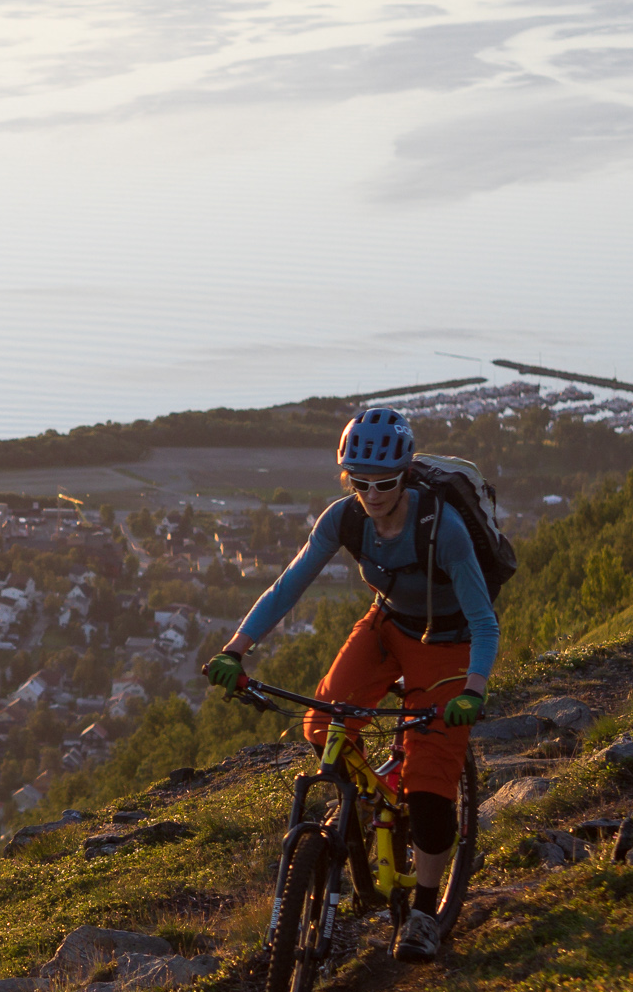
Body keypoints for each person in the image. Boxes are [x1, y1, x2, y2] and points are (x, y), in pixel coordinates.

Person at [203, 407, 496, 963]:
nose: (372, 492)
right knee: (322, 724)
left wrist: (473, 690)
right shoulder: (344, 519)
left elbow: (484, 621)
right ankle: (367, 802)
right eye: (359, 481)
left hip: (450, 641)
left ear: (405, 474)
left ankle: (425, 914)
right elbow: (289, 586)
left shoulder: (443, 529)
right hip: (387, 624)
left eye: (384, 482)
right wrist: (235, 648)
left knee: (431, 793)